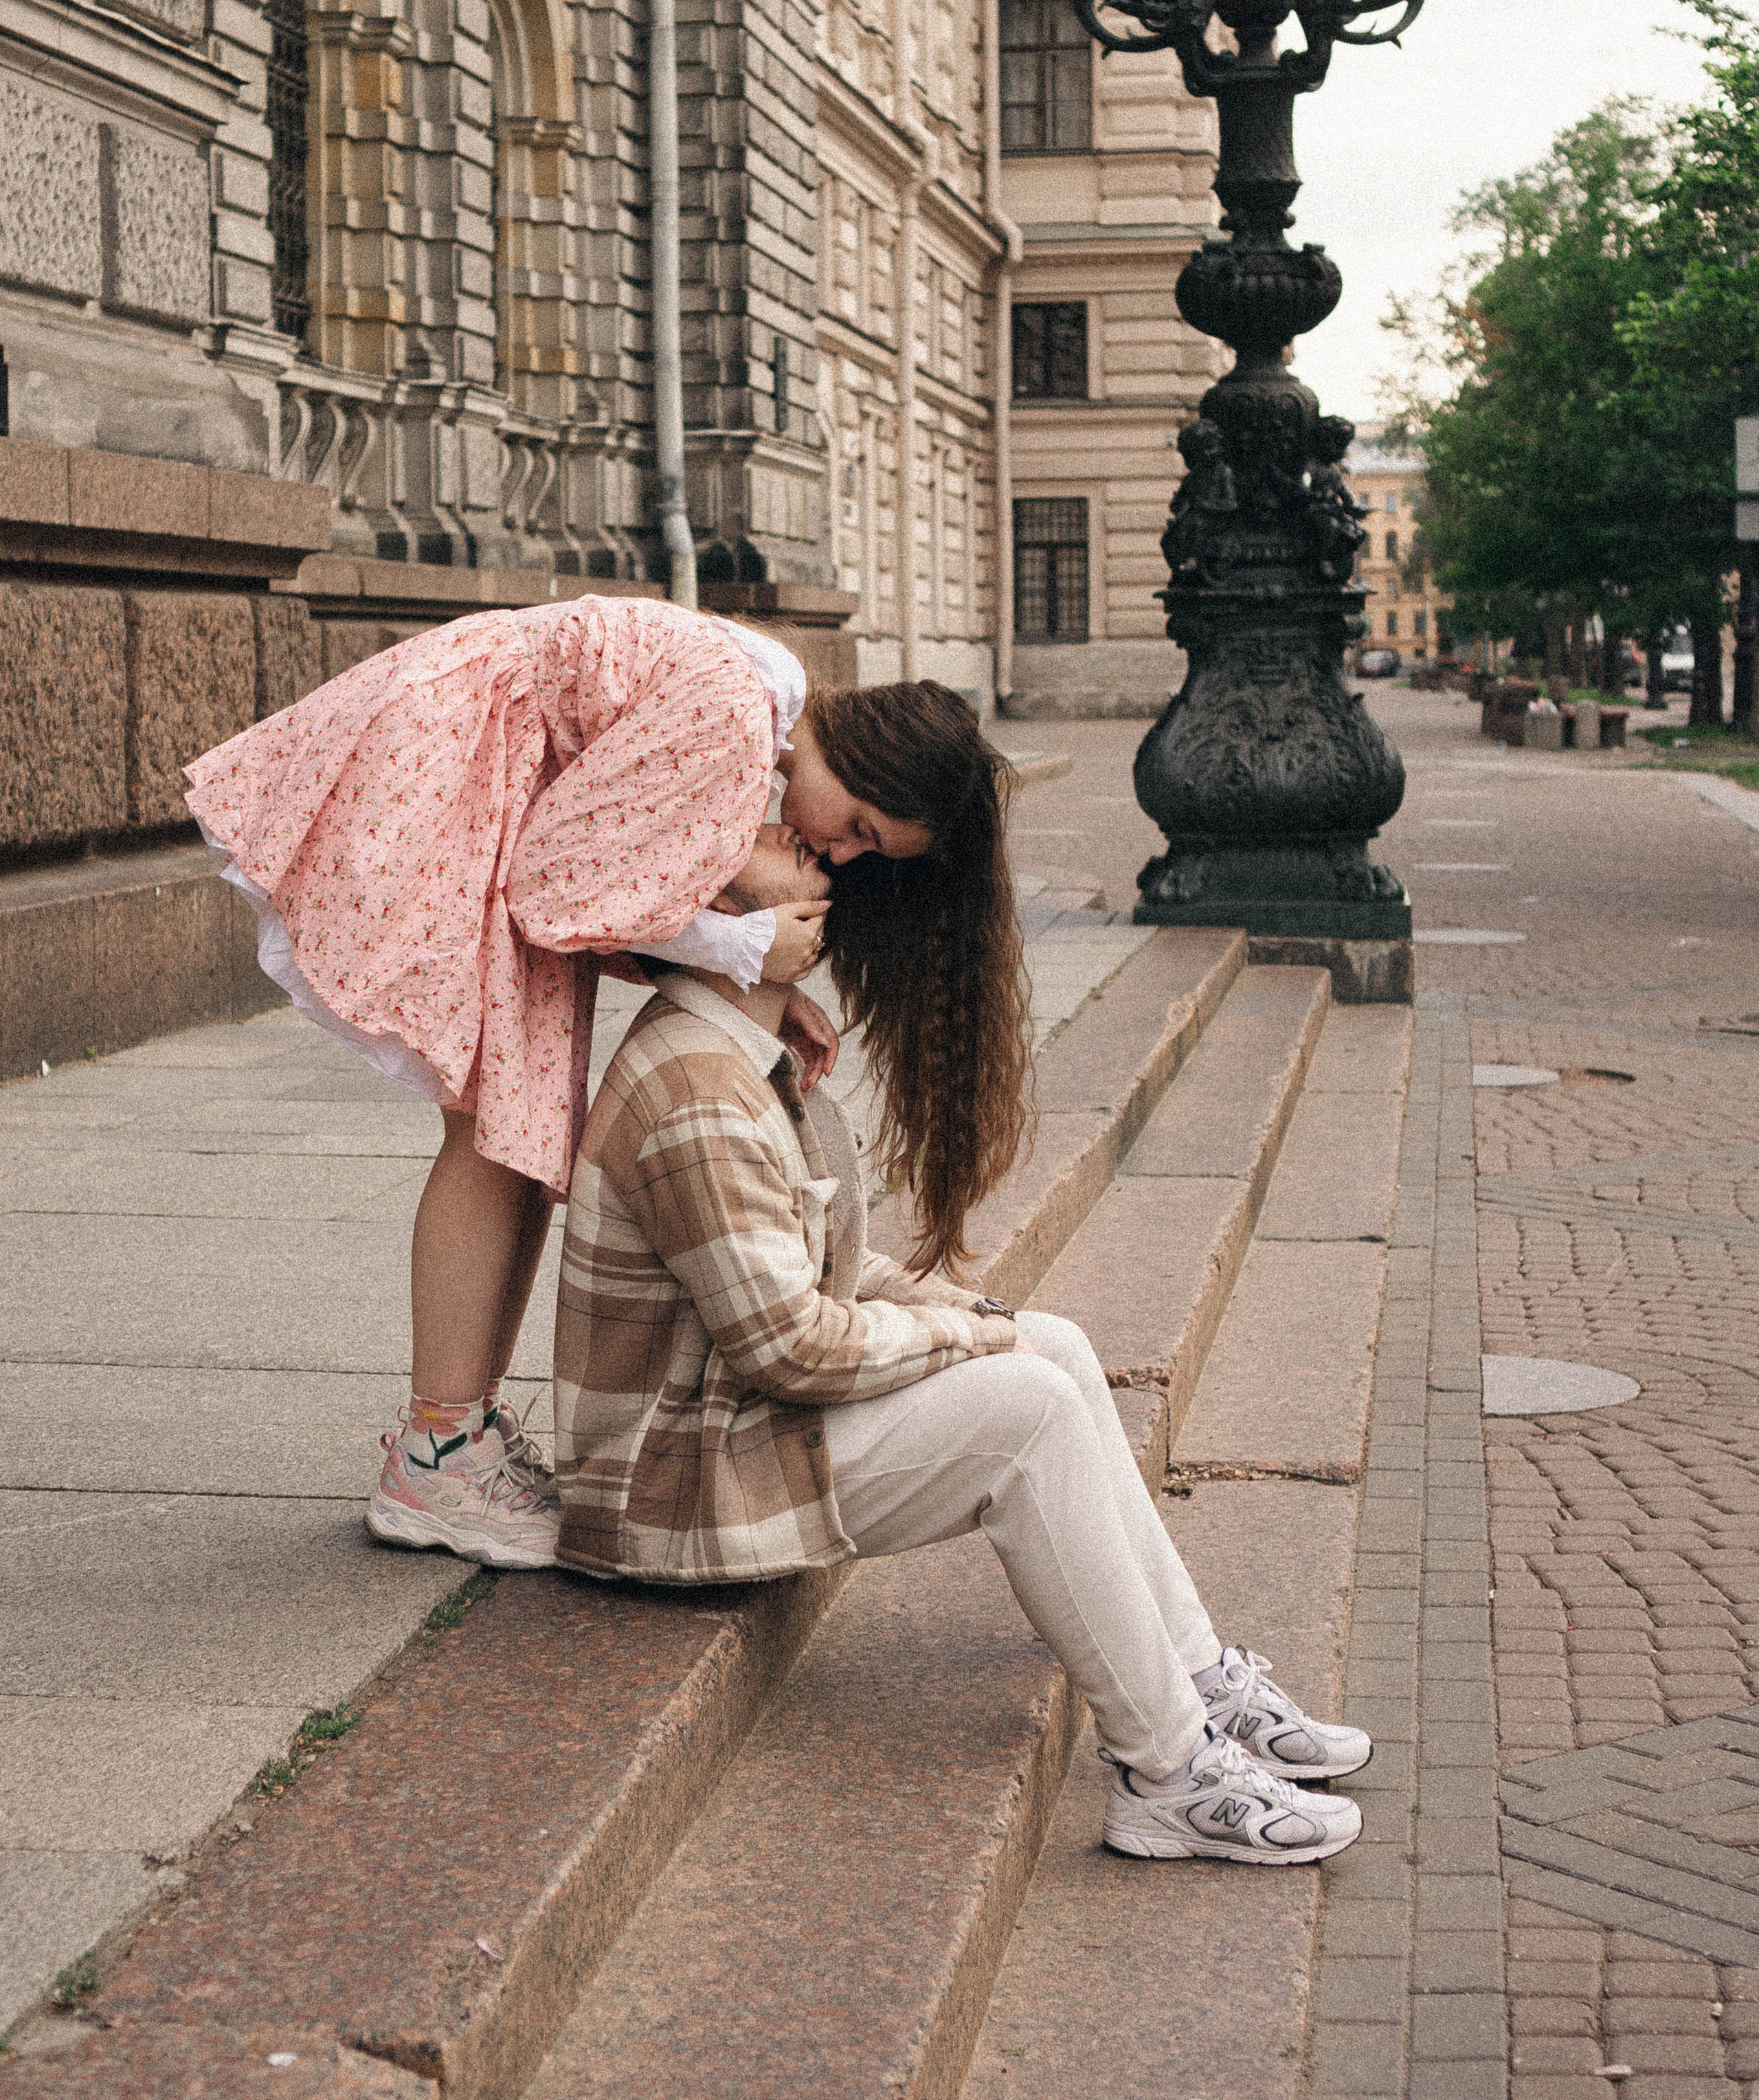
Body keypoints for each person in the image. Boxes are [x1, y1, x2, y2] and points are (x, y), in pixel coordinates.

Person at [553, 822, 1371, 1867]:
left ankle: (1200, 1677)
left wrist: (980, 1320)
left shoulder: (734, 1049)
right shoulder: (696, 1091)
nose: (804, 841)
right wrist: (961, 1339)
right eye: (759, 835)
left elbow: (825, 1268)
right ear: (713, 909)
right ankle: (1169, 1775)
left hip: (730, 1422)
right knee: (1028, 1413)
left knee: (1054, 1347)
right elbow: (790, 1347)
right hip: (676, 1486)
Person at [181, 597, 1025, 1568]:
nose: (842, 853)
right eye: (862, 828)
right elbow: (555, 890)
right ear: (863, 758)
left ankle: (457, 1436)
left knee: (520, 1131)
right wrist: (741, 946)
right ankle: (437, 1453)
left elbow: (611, 878)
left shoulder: (753, 710)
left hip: (480, 781)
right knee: (490, 1125)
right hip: (455, 778)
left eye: (866, 852)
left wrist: (756, 975)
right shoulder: (736, 717)